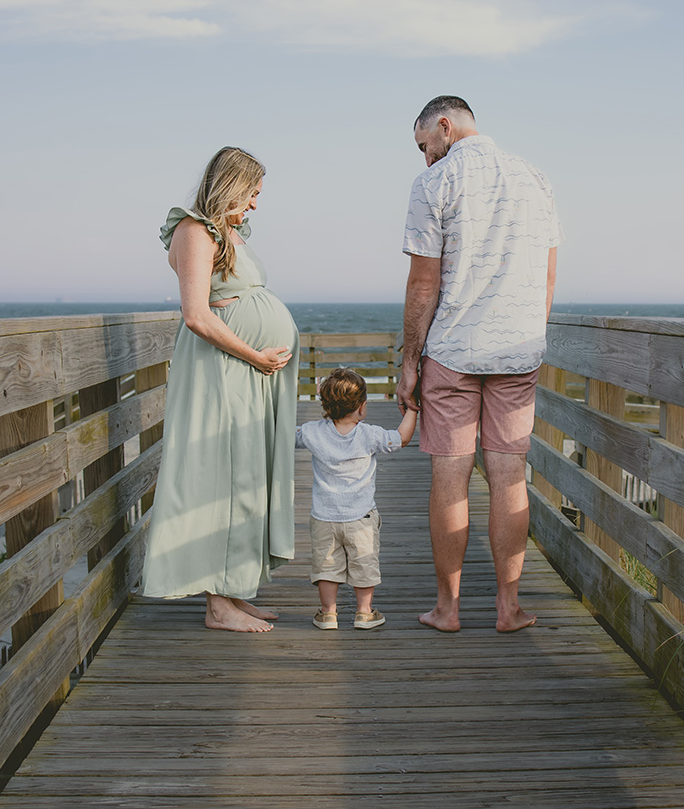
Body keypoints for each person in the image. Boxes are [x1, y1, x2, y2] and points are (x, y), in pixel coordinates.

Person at [397, 95, 563, 634]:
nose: (426, 158)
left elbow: (424, 282)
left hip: (453, 351)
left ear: (444, 126)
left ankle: (448, 609)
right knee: (508, 474)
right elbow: (547, 274)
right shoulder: (535, 177)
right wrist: (529, 336)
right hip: (518, 351)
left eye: (425, 146)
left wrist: (408, 359)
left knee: (450, 475)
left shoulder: (434, 184)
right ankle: (508, 607)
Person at [141, 146, 299, 633]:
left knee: (244, 473)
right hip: (222, 371)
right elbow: (196, 315)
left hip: (245, 373)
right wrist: (255, 355)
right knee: (221, 475)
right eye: (251, 193)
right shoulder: (194, 231)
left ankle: (231, 588)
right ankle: (216, 604)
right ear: (229, 184)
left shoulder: (227, 233)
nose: (254, 205)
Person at [296, 368, 419, 630]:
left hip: (324, 516)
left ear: (325, 405)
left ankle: (328, 614)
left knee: (327, 566)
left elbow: (287, 436)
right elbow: (402, 438)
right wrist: (413, 411)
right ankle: (364, 613)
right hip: (361, 517)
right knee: (364, 562)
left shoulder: (312, 432)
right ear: (362, 407)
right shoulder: (369, 434)